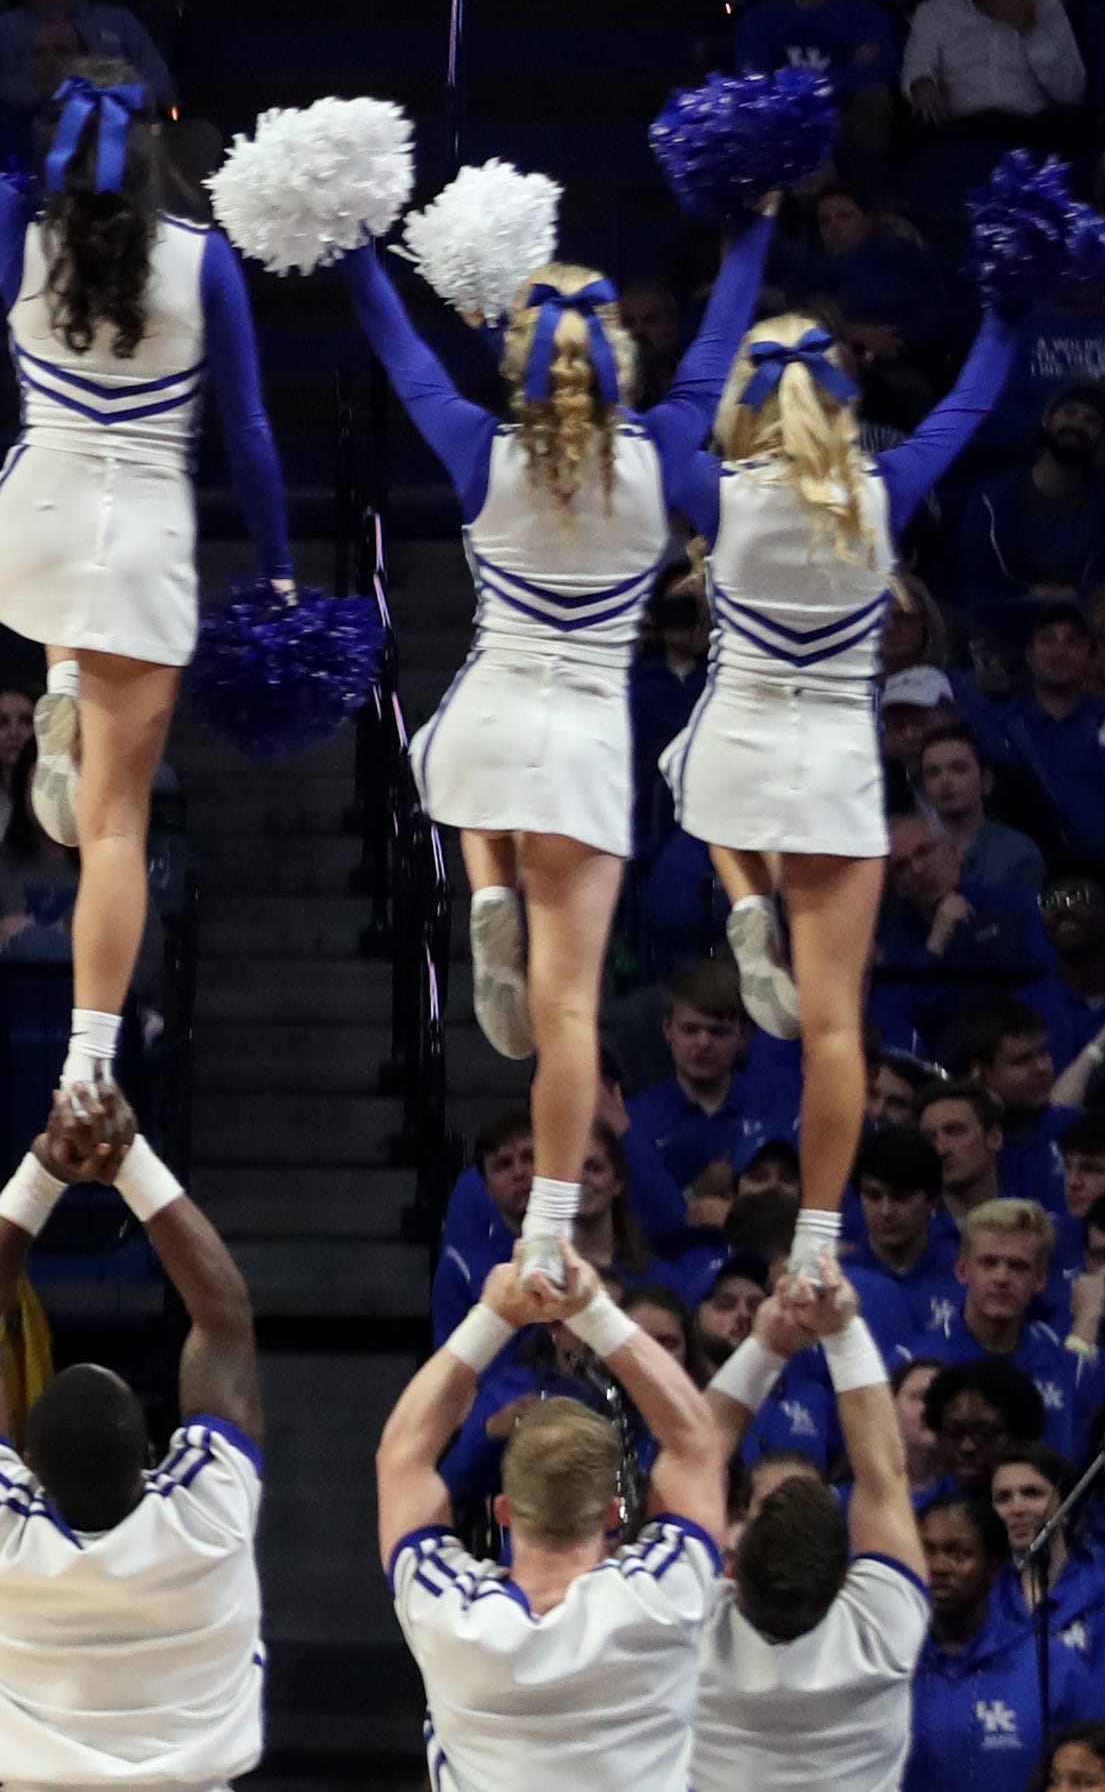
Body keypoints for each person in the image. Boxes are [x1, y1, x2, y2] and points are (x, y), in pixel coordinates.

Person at [0, 0, 290, 1107]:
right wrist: (274, 570)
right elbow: (253, 431)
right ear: (152, 149)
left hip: (34, 521)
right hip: (139, 538)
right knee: (117, 825)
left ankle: (59, 677)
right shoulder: (201, 258)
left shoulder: (10, 230)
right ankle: (88, 1059)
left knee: (54, 591)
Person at [662, 203, 1018, 1298]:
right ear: (841, 397)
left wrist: (744, 246)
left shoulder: (714, 492)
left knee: (686, 772)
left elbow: (681, 394)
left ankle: (737, 895)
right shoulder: (881, 490)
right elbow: (966, 401)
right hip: (832, 768)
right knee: (831, 1026)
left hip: (736, 743)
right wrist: (1005, 306)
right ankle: (816, 1233)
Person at [345, 231, 672, 1306]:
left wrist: (350, 244)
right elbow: (718, 358)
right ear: (616, 353)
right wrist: (753, 222)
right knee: (567, 1009)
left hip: (487, 711)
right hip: (578, 737)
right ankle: (545, 1227)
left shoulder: (476, 446)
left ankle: (485, 889)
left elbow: (402, 356)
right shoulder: (663, 452)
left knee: (464, 771)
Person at [0, 1086, 265, 1790]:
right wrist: (129, 1160)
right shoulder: (207, 1516)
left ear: (29, 1468)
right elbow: (225, 1316)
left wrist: (43, 1173)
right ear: (153, 1459)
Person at [377, 1259, 729, 1783]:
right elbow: (697, 1444)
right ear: (614, 1513)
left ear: (504, 1512)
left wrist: (493, 1315)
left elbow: (402, 1455)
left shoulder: (450, 1613)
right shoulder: (657, 1600)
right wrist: (593, 1312)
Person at [692, 1275, 924, 1785]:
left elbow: (693, 1463)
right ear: (845, 1572)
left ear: (733, 1562)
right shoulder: (881, 1634)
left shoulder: (690, 1631)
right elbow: (884, 1476)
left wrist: (767, 1344)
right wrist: (841, 1329)